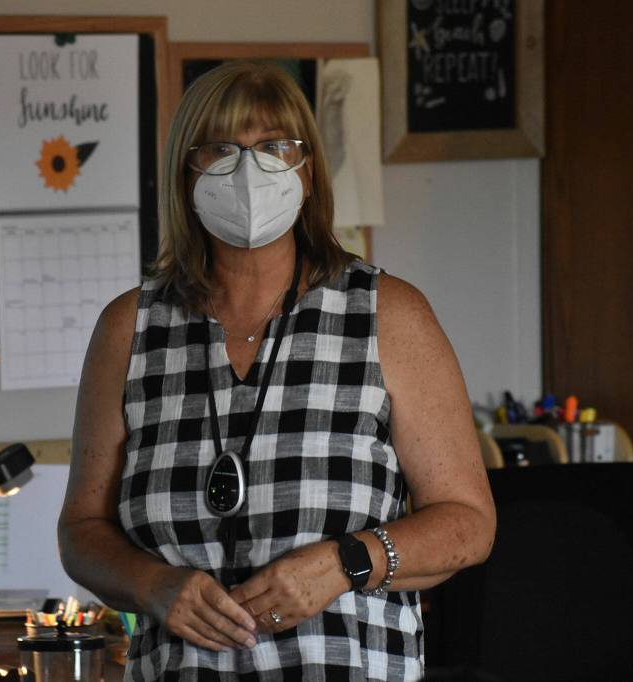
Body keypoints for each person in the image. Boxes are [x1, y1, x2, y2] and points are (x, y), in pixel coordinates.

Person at [58, 60, 496, 681]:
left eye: (273, 148)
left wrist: (345, 562)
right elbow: (82, 531)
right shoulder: (129, 328)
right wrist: (153, 585)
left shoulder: (387, 314)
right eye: (220, 149)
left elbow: (469, 524)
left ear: (307, 171)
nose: (248, 171)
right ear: (186, 173)